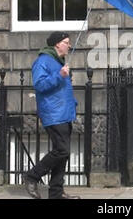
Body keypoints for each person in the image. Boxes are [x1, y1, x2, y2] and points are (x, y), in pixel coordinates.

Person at [24, 31, 80, 199]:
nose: (69, 45)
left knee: (63, 153)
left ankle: (56, 193)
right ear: (57, 44)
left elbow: (62, 90)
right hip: (53, 114)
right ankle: (32, 176)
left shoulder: (58, 61)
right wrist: (60, 75)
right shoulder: (42, 61)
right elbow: (40, 85)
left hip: (64, 113)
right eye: (66, 42)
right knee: (62, 151)